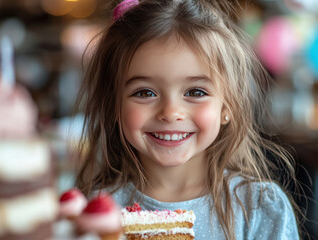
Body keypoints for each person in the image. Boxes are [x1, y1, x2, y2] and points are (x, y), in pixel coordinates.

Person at [75, 0, 301, 239]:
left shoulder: (259, 207)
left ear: (227, 106)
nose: (171, 112)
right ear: (114, 106)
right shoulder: (96, 212)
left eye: (195, 92)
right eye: (145, 92)